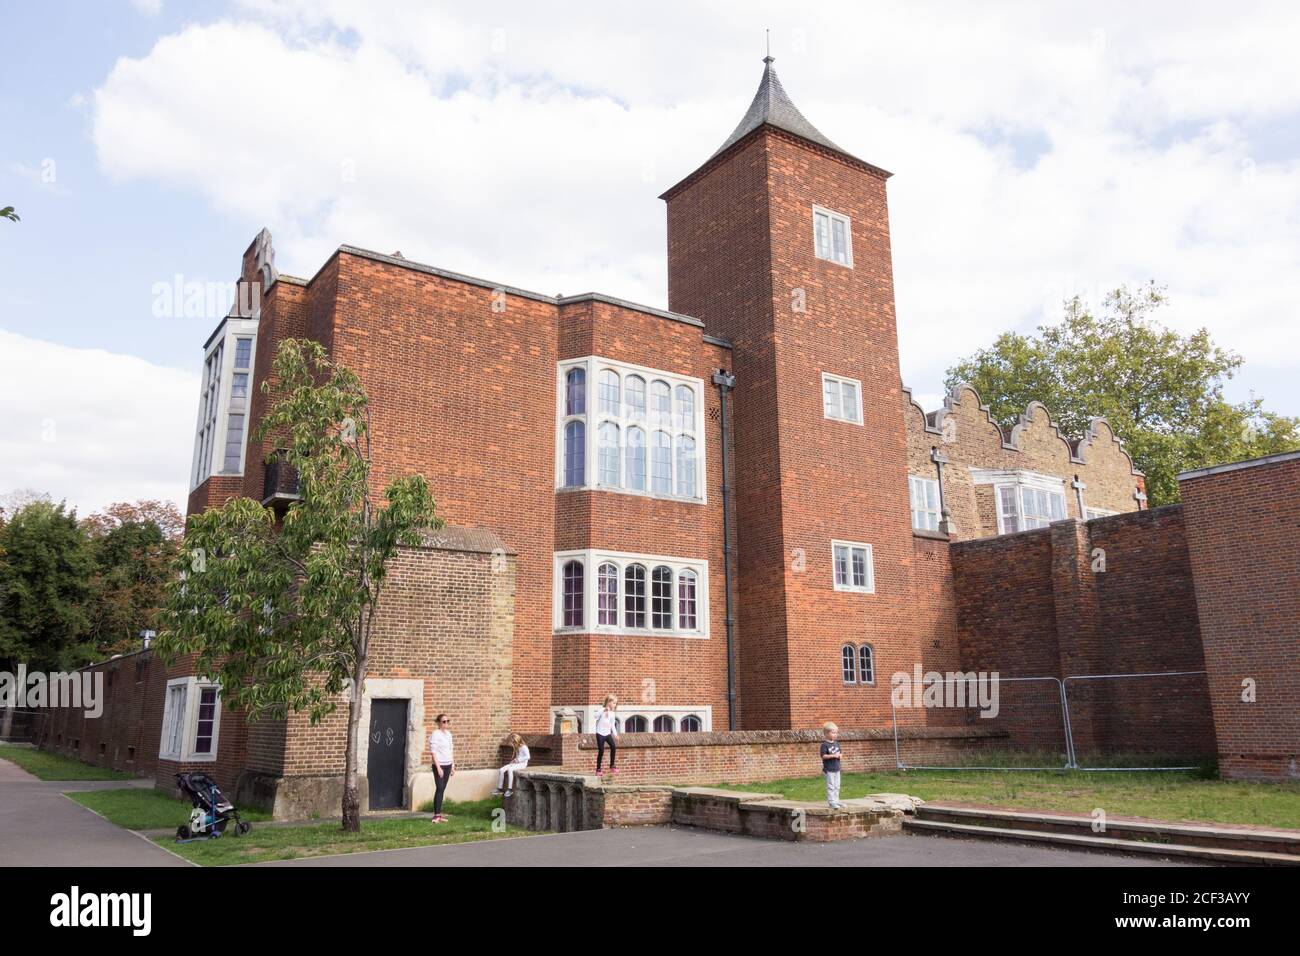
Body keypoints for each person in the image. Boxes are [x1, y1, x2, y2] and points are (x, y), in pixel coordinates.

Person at [429, 713, 455, 823]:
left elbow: (451, 750)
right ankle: (436, 816)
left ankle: (439, 815)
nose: (446, 723)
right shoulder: (435, 734)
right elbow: (433, 752)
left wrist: (453, 765)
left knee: (442, 789)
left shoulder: (448, 734)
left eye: (447, 721)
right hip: (439, 765)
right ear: (439, 723)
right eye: (444, 721)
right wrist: (438, 768)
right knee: (439, 788)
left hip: (448, 764)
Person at [593, 694, 619, 776]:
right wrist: (604, 710)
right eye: (614, 703)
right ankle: (598, 769)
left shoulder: (612, 714)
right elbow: (595, 716)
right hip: (600, 733)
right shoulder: (602, 710)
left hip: (607, 734)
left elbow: (612, 725)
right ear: (609, 702)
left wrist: (615, 734)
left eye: (616, 703)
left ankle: (612, 765)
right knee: (601, 751)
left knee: (613, 747)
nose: (615, 705)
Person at [821, 721, 843, 810]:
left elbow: (840, 753)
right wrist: (833, 755)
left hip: (837, 768)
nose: (835, 734)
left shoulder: (836, 743)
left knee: (837, 785)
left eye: (836, 733)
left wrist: (840, 756)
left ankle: (836, 801)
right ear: (826, 733)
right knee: (831, 786)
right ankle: (831, 802)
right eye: (833, 733)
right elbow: (823, 756)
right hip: (829, 769)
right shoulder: (824, 745)